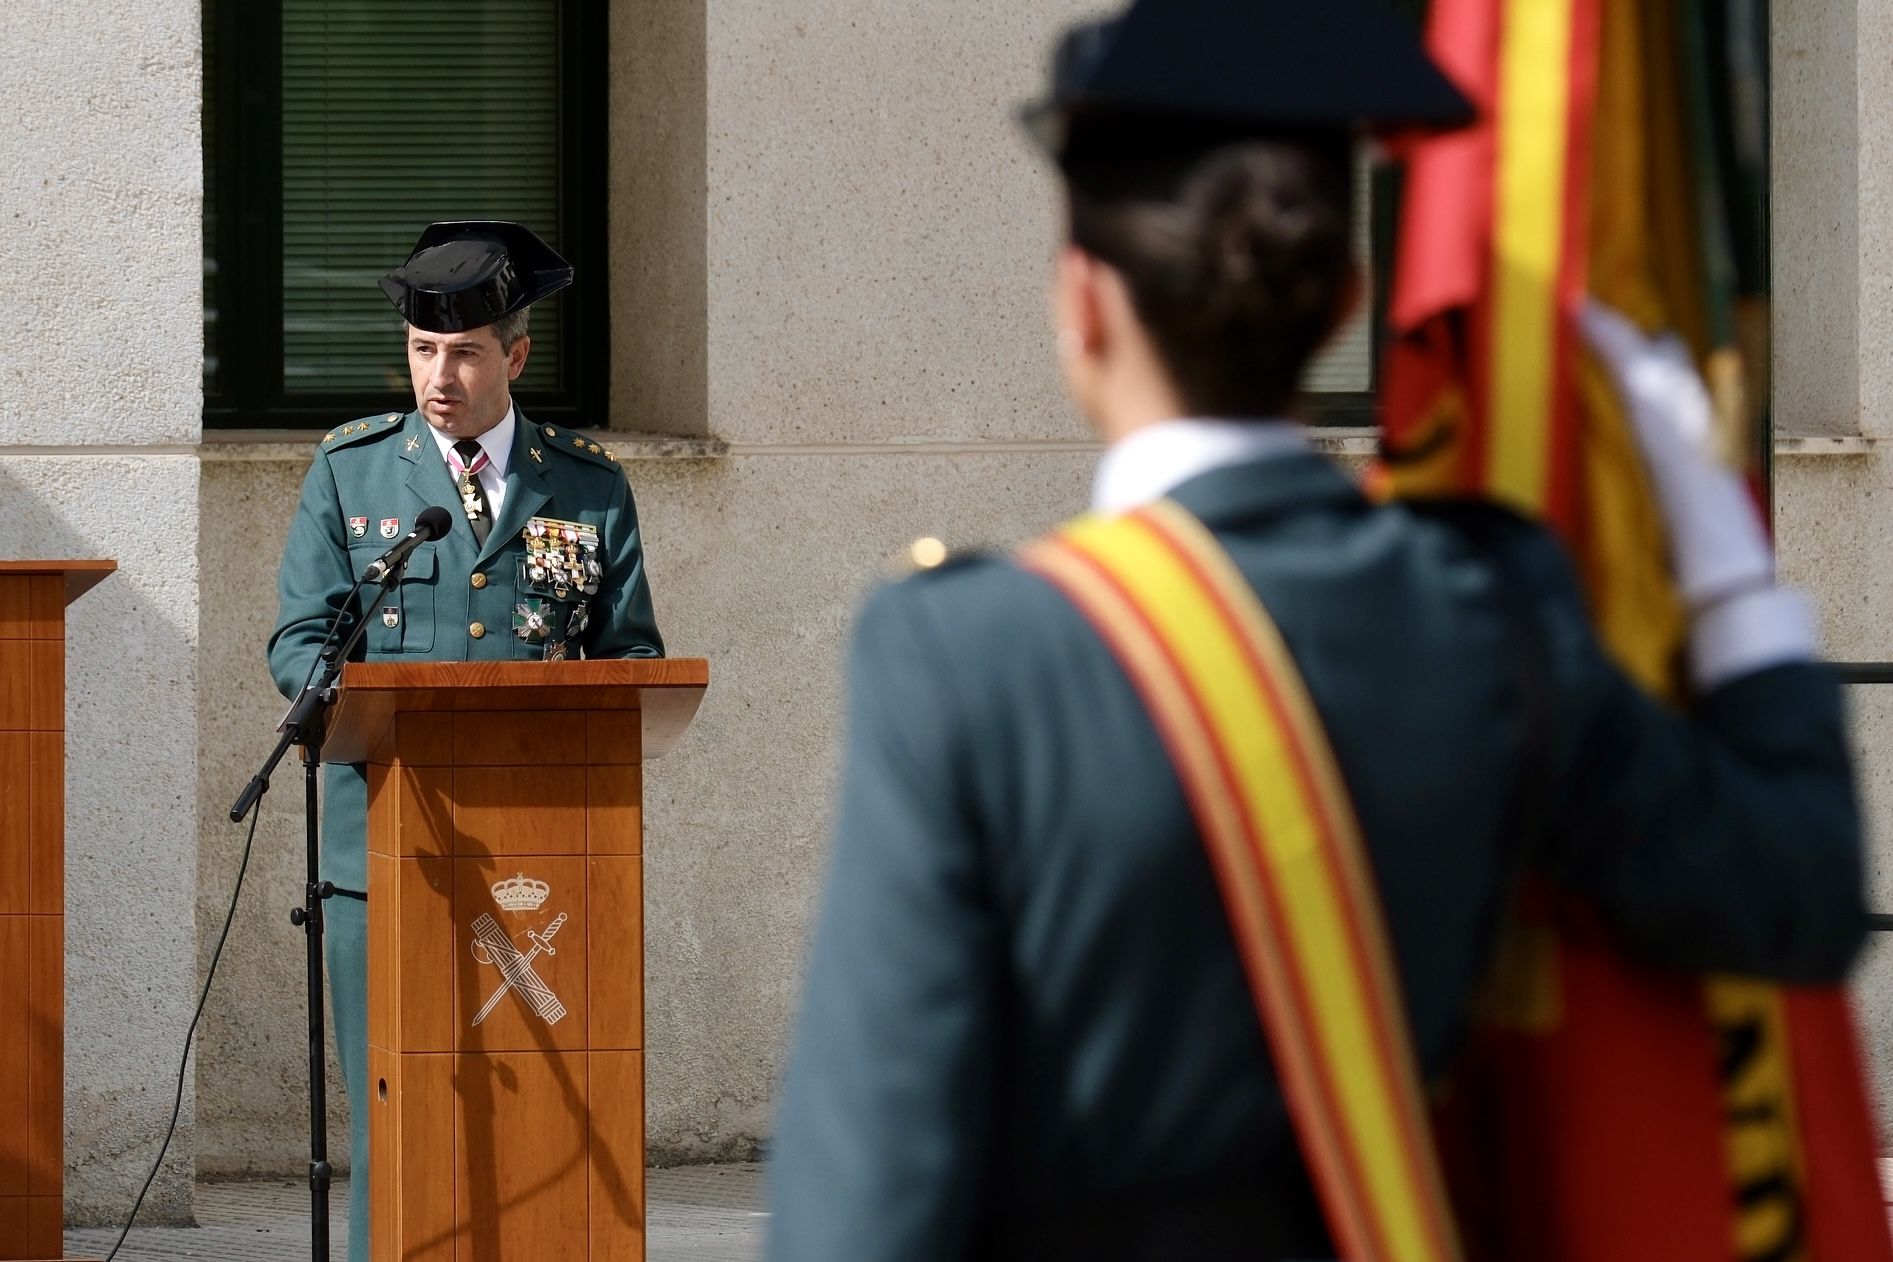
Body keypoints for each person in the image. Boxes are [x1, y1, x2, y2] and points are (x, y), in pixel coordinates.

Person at [764, 3, 1865, 1259]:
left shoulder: (969, 657)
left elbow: (864, 1196)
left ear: (1082, 301)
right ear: (1347, 298)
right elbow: (1794, 891)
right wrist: (1723, 561)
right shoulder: (1493, 613)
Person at [266, 220, 662, 1259]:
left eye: (468, 351)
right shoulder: (353, 476)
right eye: (422, 350)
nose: (441, 375)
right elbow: (302, 638)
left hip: (546, 864)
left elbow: (629, 665)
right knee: (396, 1114)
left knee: (548, 1102)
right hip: (382, 857)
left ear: (516, 356)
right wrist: (335, 696)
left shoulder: (586, 488)